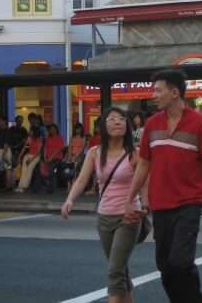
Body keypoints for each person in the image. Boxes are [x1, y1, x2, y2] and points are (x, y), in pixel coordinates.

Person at [125, 69, 202, 303]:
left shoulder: (200, 123)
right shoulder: (151, 124)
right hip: (160, 206)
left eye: (158, 90)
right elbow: (143, 165)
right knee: (165, 266)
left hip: (188, 204)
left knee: (180, 261)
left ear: (175, 92)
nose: (154, 95)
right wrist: (130, 198)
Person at [62, 107, 146, 303]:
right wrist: (70, 200)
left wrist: (146, 207)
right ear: (103, 126)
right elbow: (82, 180)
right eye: (112, 119)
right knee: (120, 269)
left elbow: (145, 184)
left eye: (121, 119)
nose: (117, 122)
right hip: (104, 217)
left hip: (129, 217)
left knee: (115, 271)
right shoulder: (94, 152)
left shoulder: (135, 154)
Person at [16, 125, 42, 193]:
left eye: (31, 130)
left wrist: (31, 159)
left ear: (34, 132)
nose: (29, 132)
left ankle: (25, 186)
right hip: (28, 155)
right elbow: (24, 148)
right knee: (23, 170)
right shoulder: (29, 138)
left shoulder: (39, 139)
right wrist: (20, 156)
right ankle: (20, 186)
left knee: (29, 169)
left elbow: (39, 152)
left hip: (36, 156)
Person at [63, 123, 86, 192]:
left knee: (75, 168)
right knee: (67, 169)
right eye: (76, 129)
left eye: (79, 129)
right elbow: (70, 147)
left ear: (81, 129)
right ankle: (68, 186)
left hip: (79, 156)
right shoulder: (72, 137)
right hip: (71, 155)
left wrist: (76, 156)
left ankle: (73, 186)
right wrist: (69, 156)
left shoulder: (83, 137)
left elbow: (82, 149)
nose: (77, 130)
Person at [43, 123, 65, 193]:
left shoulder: (59, 138)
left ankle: (50, 188)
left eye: (53, 129)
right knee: (39, 168)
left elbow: (59, 149)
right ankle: (37, 188)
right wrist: (45, 157)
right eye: (51, 129)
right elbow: (45, 148)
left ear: (56, 130)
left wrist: (50, 158)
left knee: (51, 167)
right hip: (48, 158)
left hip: (56, 158)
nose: (52, 130)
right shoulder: (48, 138)